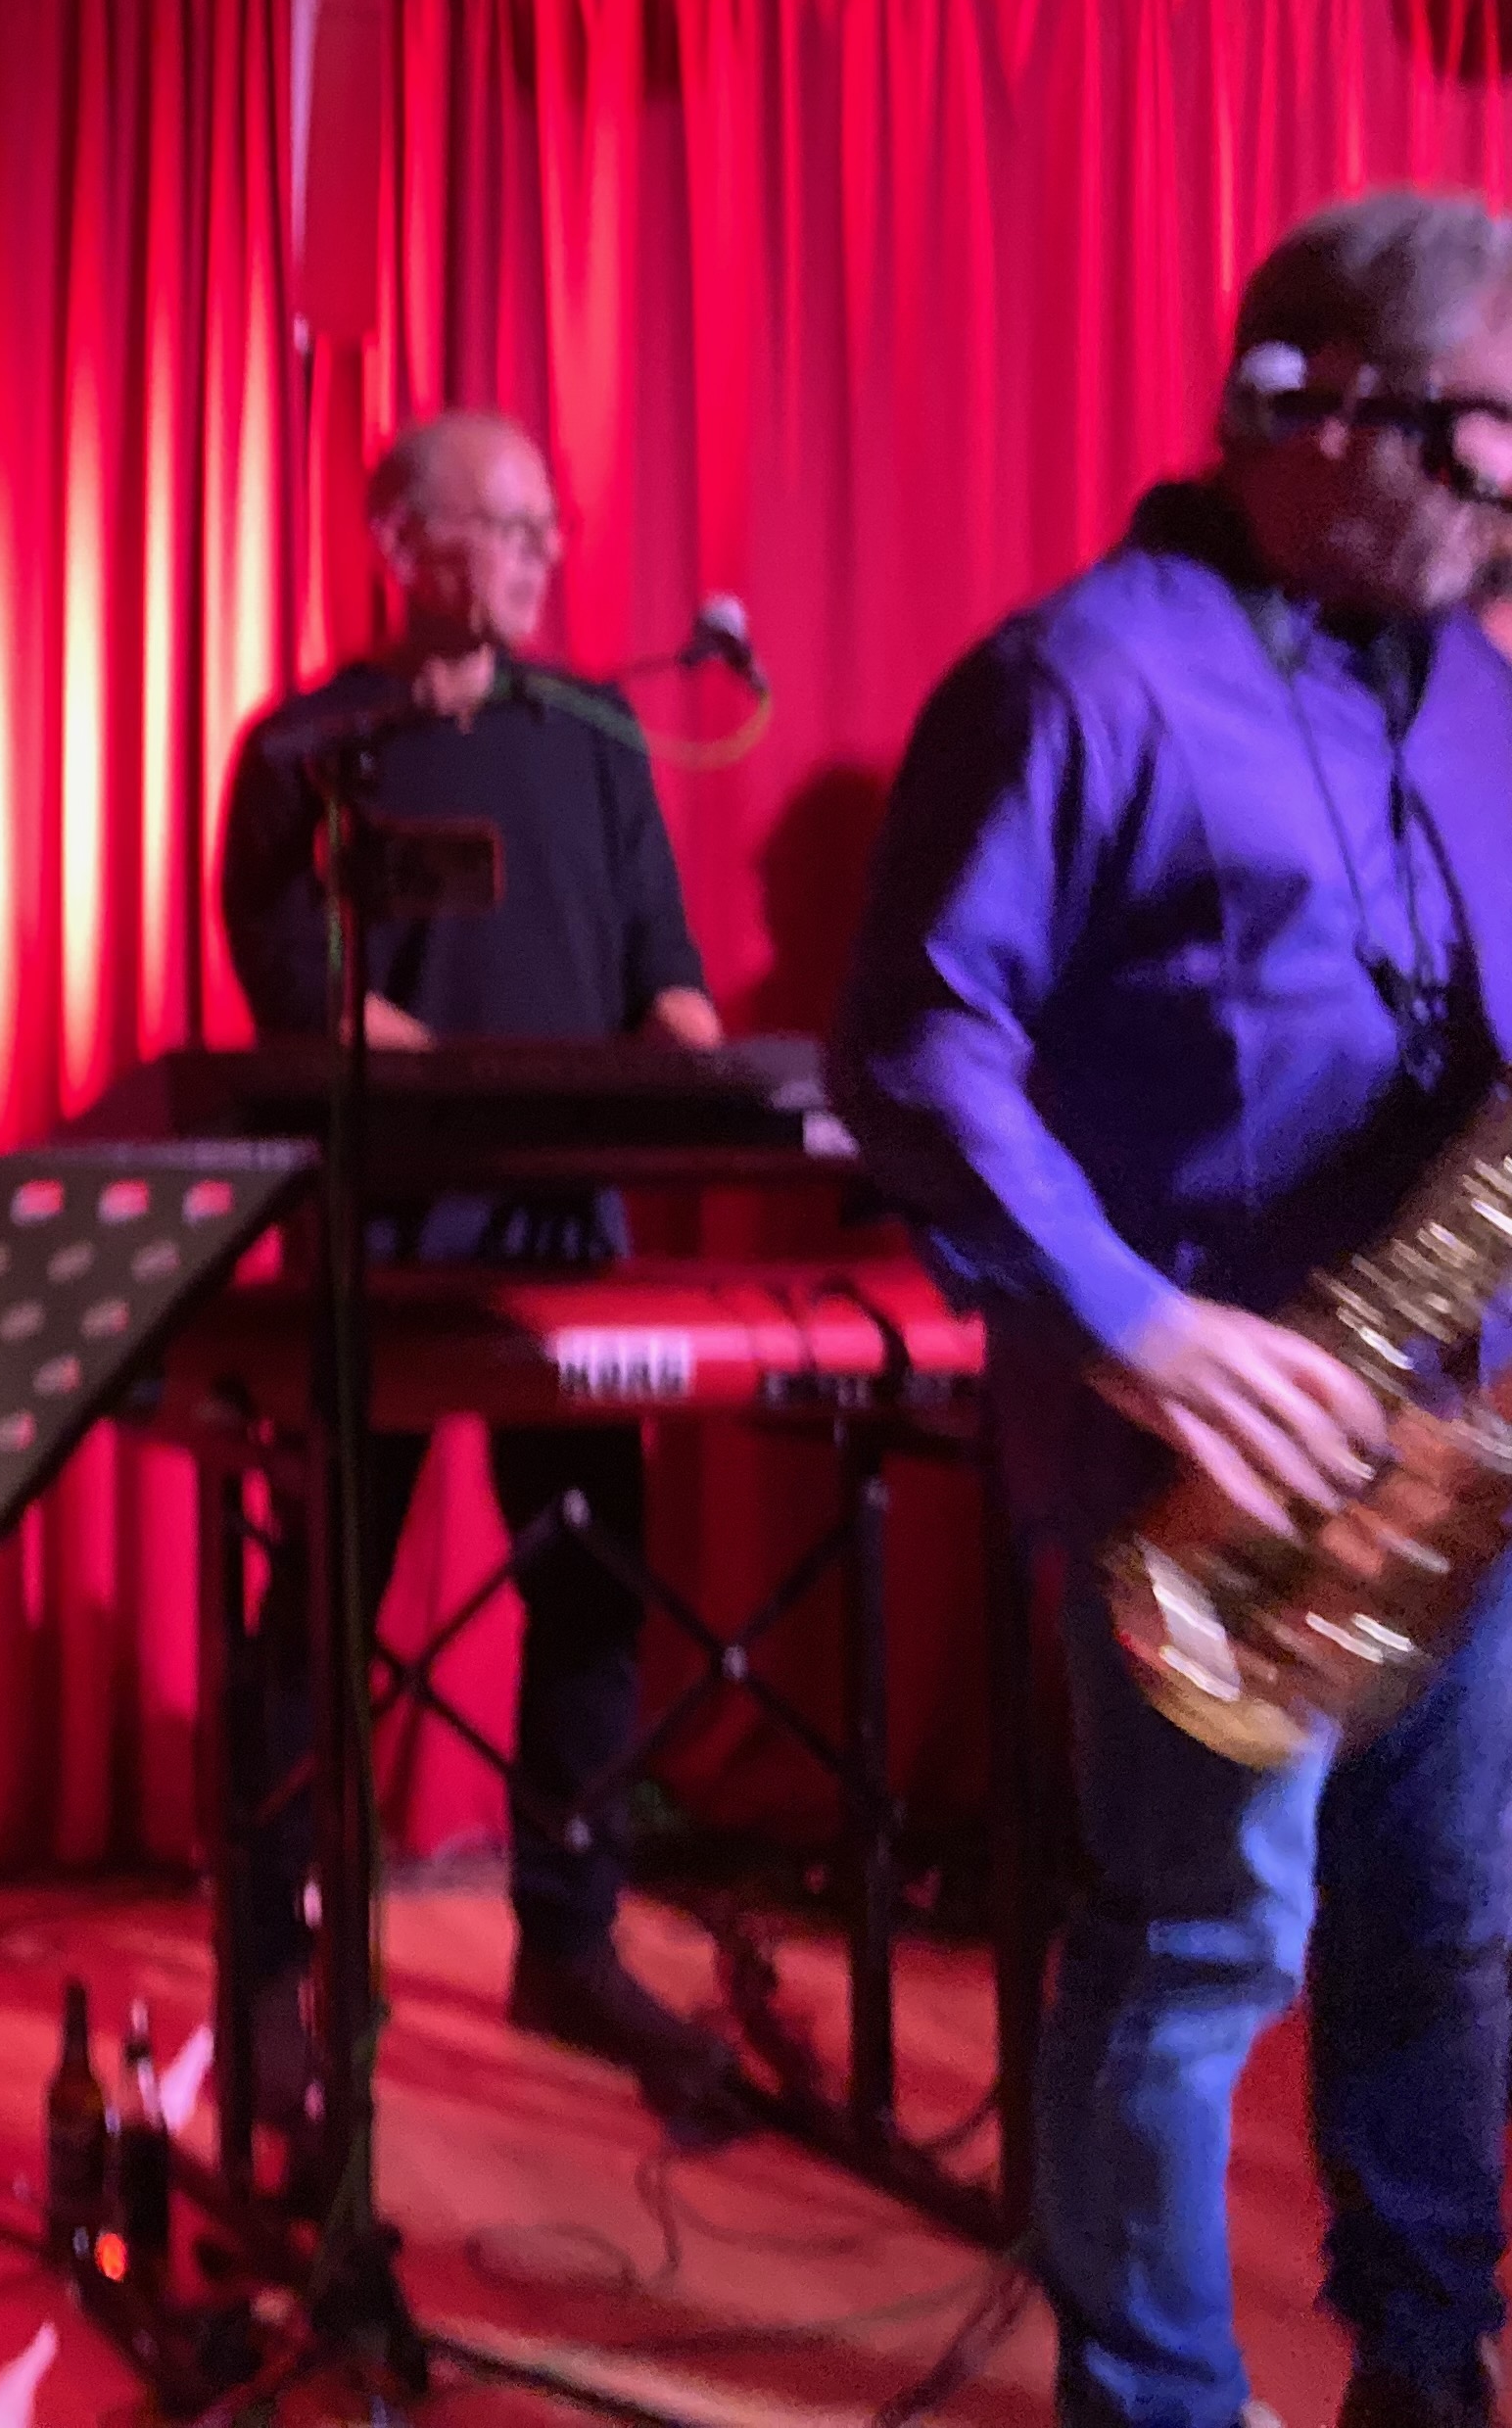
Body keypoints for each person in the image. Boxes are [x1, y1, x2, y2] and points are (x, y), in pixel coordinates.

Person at [833, 189, 1512, 2428]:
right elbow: (917, 1048)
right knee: (1199, 1956)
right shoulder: (1083, 678)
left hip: (1455, 1439)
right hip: (1193, 1460)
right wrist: (1136, 1321)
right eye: (1486, 436)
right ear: (1307, 411)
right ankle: (1155, 2405)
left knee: (1447, 1939)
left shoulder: (1484, 696)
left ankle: (1425, 2365)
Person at [215, 408, 738, 2129]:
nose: (539, 554)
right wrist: (451, 1083)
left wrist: (703, 1070)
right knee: (322, 1611)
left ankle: (567, 1943)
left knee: (589, 1584)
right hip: (379, 1234)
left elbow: (664, 962)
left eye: (546, 527)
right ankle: (271, 1968)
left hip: (558, 1231)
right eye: (504, 523)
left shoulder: (594, 730)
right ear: (400, 541)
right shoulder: (306, 746)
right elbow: (296, 987)